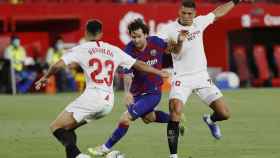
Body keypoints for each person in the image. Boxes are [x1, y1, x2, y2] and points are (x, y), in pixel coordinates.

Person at [35, 19, 169, 158]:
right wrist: (159, 72)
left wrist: (46, 76)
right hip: (107, 103)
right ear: (101, 33)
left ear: (86, 33)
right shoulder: (113, 49)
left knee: (56, 127)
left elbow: (57, 65)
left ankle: (84, 155)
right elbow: (139, 64)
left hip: (92, 97)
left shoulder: (81, 48)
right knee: (67, 129)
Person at [157, 0, 251, 157]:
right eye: (183, 13)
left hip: (201, 77)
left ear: (194, 14)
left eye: (190, 14)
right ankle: (173, 155)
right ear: (179, 12)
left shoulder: (199, 22)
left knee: (224, 114)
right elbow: (169, 50)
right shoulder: (168, 29)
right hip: (182, 78)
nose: (186, 16)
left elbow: (218, 12)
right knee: (175, 111)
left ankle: (210, 120)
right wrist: (179, 41)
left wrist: (235, 1)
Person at [88, 19, 187, 156]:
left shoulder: (157, 42)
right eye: (133, 37)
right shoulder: (128, 50)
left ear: (146, 34)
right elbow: (127, 74)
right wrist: (127, 92)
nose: (136, 40)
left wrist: (179, 42)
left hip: (153, 92)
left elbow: (174, 50)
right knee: (149, 118)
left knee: (125, 118)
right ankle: (175, 119)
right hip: (137, 93)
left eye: (139, 36)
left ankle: (105, 148)